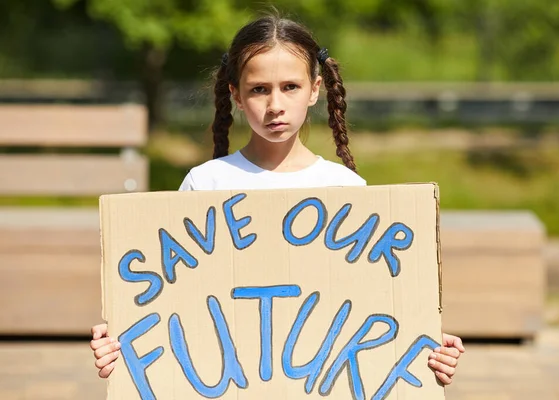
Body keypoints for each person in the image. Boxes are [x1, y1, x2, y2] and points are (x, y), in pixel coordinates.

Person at [90, 14, 465, 387]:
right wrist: (121, 347)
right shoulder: (206, 184)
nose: (275, 105)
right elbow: (172, 305)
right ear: (235, 94)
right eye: (259, 89)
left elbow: (380, 308)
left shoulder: (344, 188)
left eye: (290, 87)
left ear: (315, 89)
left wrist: (428, 350)